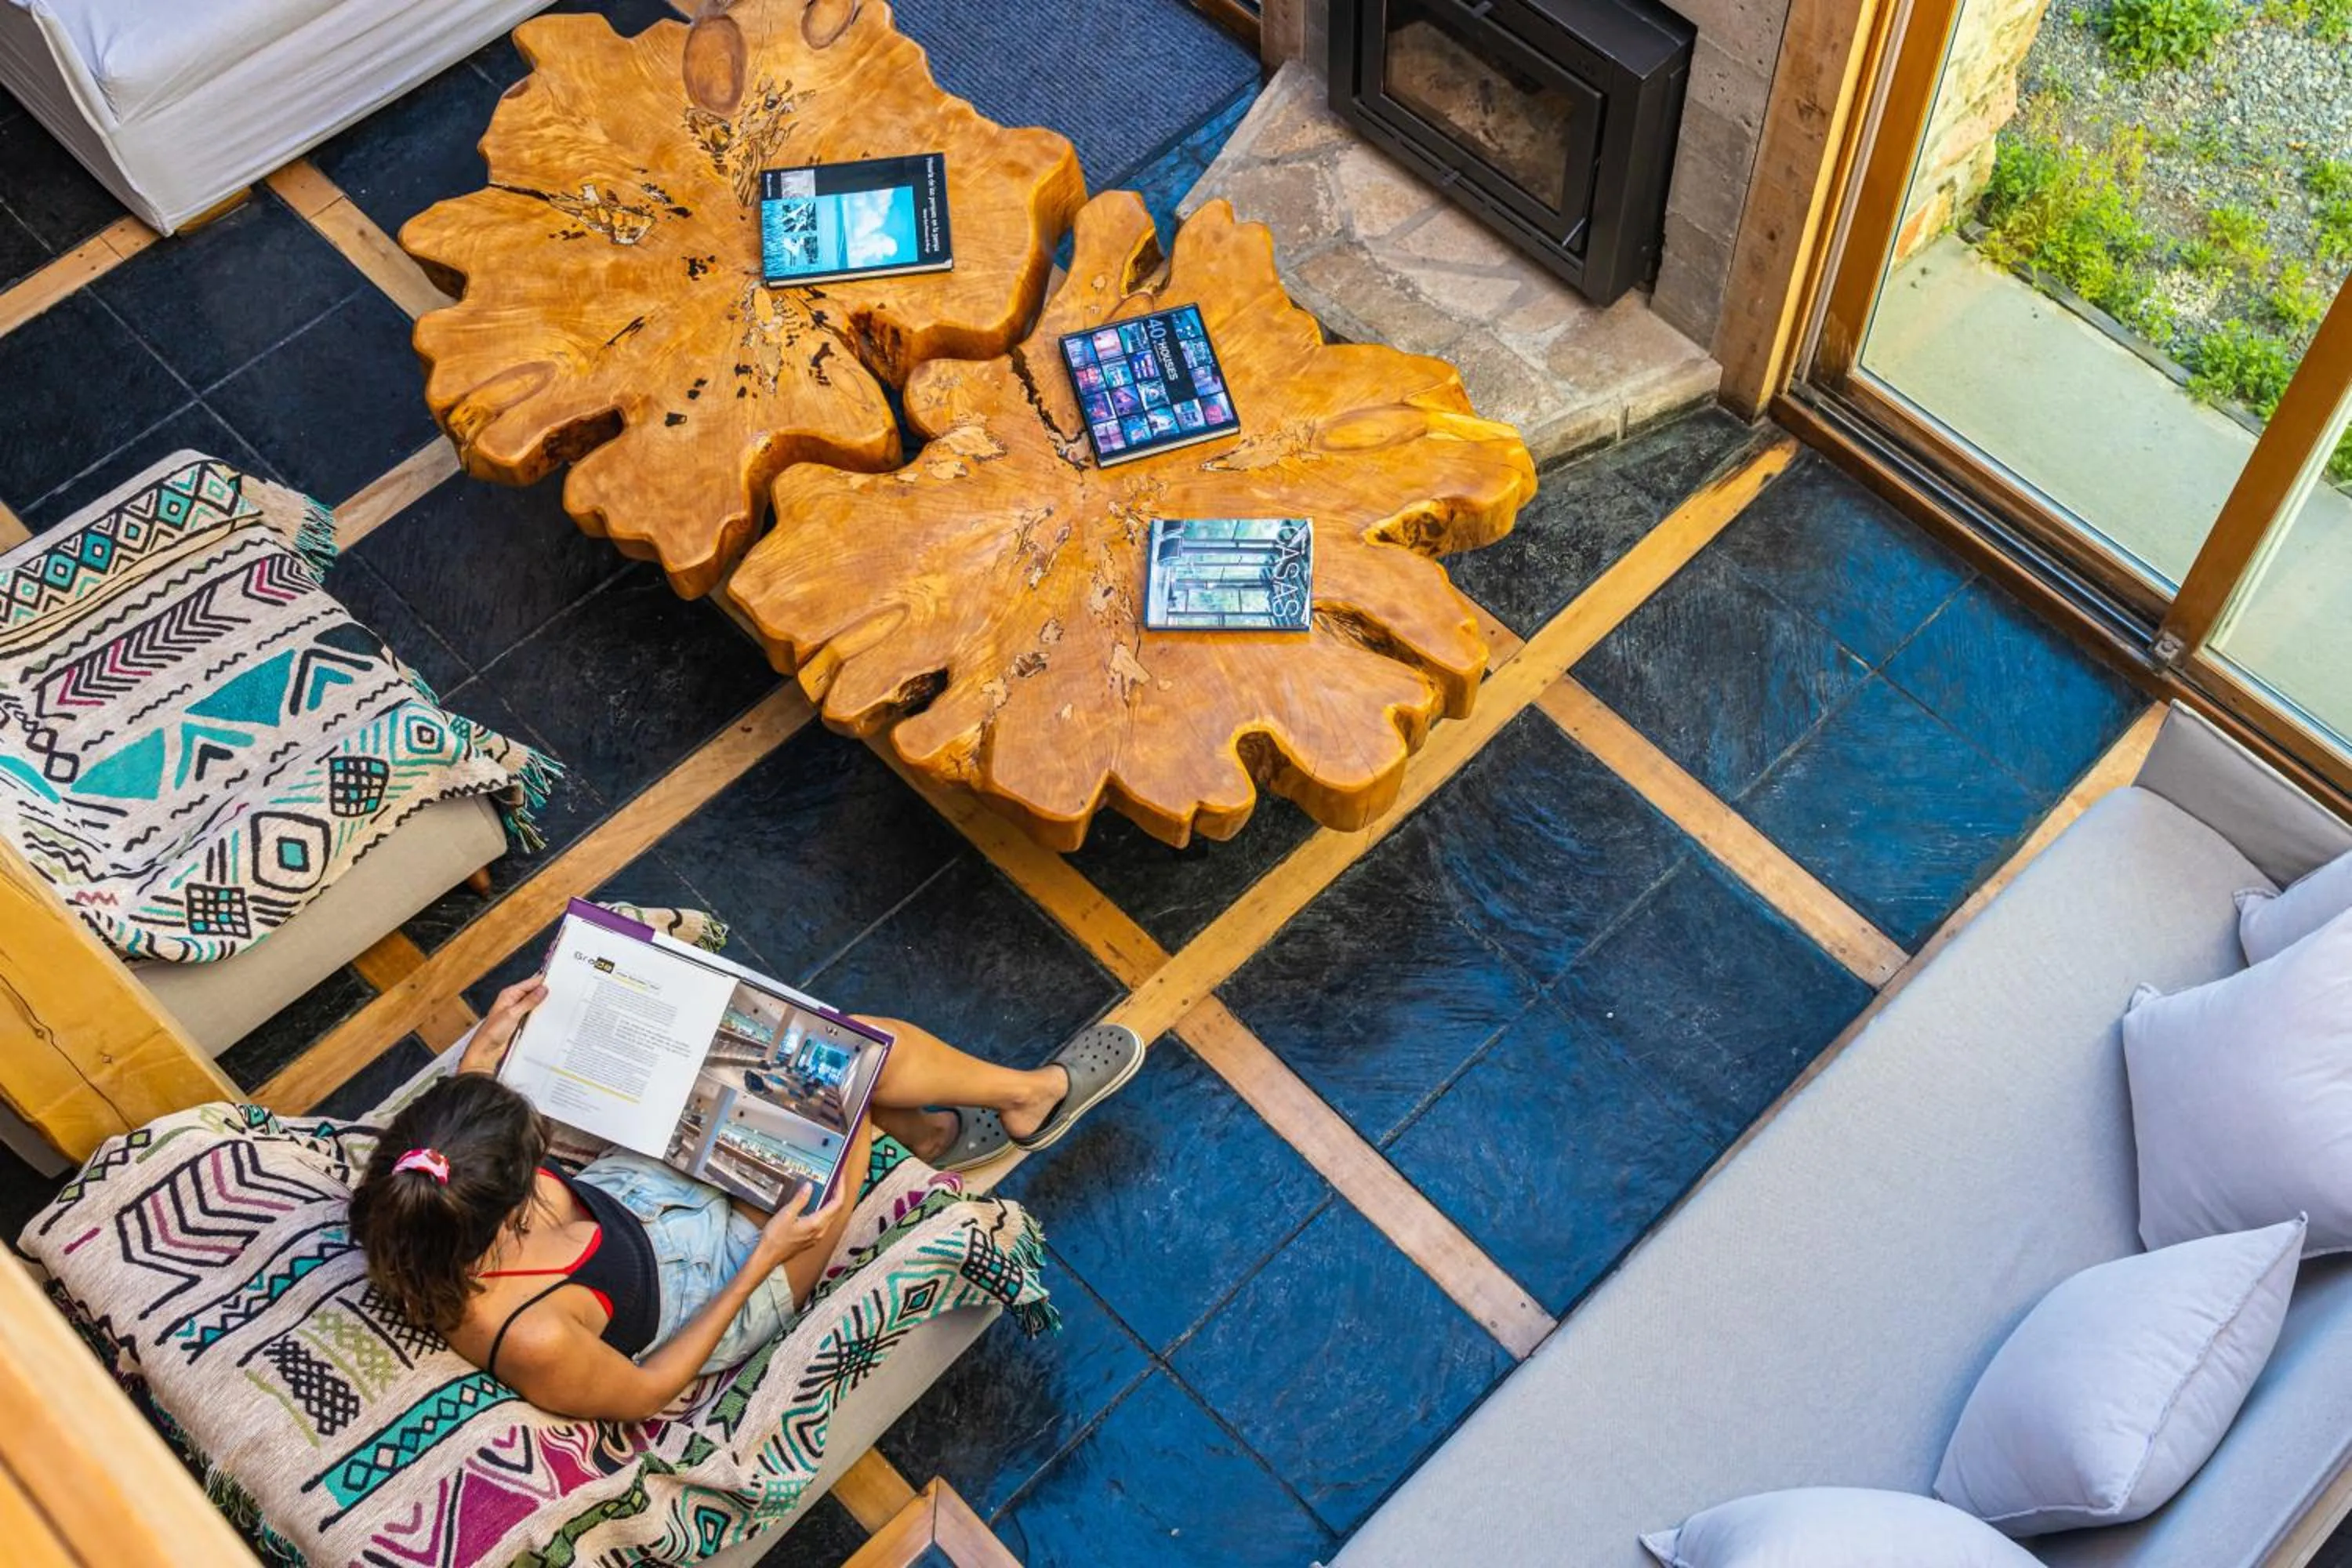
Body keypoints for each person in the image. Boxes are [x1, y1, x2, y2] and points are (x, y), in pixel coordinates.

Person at [347, 978, 1140, 1421]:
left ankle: (942, 1127)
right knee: (851, 1075)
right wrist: (765, 1260)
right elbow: (653, 1390)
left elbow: (459, 1121)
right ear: (510, 1210)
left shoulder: (413, 1195)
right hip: (718, 1276)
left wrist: (490, 1043)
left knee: (838, 1045)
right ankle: (1021, 1101)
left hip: (642, 1190)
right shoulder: (534, 1336)